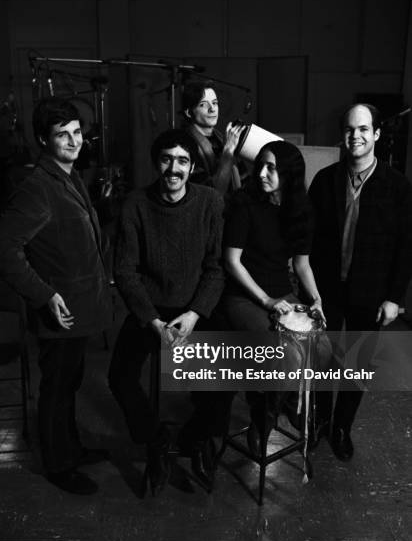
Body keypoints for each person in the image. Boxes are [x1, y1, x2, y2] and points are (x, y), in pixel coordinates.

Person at [0, 97, 112, 494]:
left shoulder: (69, 175)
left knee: (69, 382)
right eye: (61, 135)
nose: (73, 141)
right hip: (60, 311)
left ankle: (72, 448)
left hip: (81, 308)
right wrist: (44, 295)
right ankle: (59, 465)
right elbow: (5, 249)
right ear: (44, 141)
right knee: (57, 387)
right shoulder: (37, 188)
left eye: (77, 132)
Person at [108, 129, 226, 494]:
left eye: (182, 161)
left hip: (195, 310)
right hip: (153, 309)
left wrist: (194, 314)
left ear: (192, 167)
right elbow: (125, 271)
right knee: (120, 376)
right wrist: (154, 322)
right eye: (166, 159)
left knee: (227, 376)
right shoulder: (135, 204)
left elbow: (216, 267)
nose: (173, 168)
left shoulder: (210, 202)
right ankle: (155, 438)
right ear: (156, 162)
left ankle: (194, 438)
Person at [308, 103, 412, 460]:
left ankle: (341, 427)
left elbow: (405, 247)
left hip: (371, 292)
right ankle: (321, 420)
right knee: (324, 357)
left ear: (377, 134)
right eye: (351, 129)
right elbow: (307, 237)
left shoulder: (398, 187)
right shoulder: (324, 181)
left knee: (357, 362)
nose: (357, 136)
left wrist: (394, 298)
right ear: (343, 134)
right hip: (327, 290)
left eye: (364, 129)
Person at [222, 141, 325, 452]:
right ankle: (264, 419)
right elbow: (231, 261)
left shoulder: (301, 210)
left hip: (282, 291)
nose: (262, 173)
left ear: (289, 174)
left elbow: (301, 264)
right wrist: (266, 301)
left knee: (321, 345)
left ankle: (283, 400)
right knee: (279, 353)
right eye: (261, 166)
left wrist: (316, 299)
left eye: (272, 168)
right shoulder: (245, 203)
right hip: (243, 294)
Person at [182, 80, 245, 195]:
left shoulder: (221, 138)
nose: (212, 109)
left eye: (215, 103)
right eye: (203, 105)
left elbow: (244, 179)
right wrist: (228, 152)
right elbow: (212, 194)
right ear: (188, 112)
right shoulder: (185, 145)